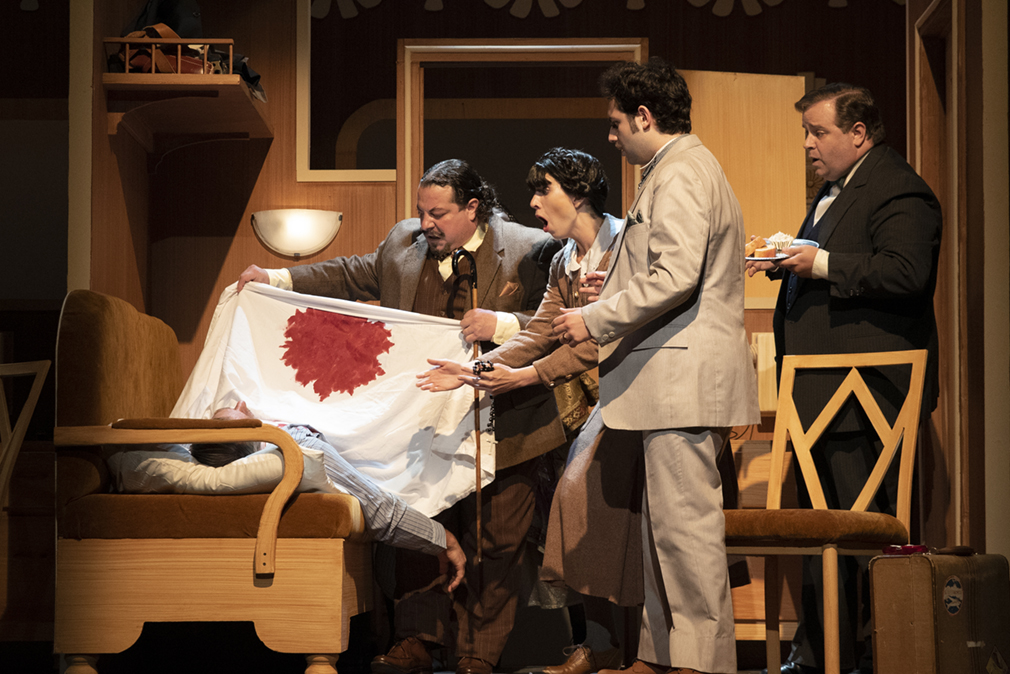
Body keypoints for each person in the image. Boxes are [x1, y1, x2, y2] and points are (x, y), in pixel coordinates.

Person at [237, 159, 564, 674]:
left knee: (498, 539)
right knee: (418, 527)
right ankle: (416, 640)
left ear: (473, 208)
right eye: (420, 211)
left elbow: (560, 321)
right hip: (422, 419)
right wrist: (277, 277)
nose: (425, 224)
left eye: (438, 214)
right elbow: (350, 274)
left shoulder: (531, 248)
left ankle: (479, 654)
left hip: (508, 423)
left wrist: (502, 323)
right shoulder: (402, 243)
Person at [551, 58, 759, 674]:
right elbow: (666, 269)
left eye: (617, 122)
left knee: (686, 533)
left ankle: (701, 664)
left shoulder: (684, 171)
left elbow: (677, 276)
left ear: (644, 116)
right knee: (661, 534)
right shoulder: (670, 170)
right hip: (667, 379)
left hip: (682, 379)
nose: (611, 135)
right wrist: (613, 287)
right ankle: (662, 656)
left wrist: (595, 317)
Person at [746, 83, 941, 674]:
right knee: (822, 530)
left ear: (859, 133)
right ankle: (820, 654)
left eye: (818, 132)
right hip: (824, 394)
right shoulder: (836, 190)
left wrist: (820, 261)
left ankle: (877, 655)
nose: (808, 144)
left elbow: (907, 273)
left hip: (865, 394)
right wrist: (789, 261)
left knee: (862, 532)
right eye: (806, 132)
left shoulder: (898, 186)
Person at [417, 147, 635, 674]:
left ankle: (637, 648)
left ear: (577, 195)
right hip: (588, 411)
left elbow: (595, 342)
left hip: (635, 401)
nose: (534, 202)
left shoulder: (626, 246)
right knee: (584, 522)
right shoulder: (564, 260)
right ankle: (602, 644)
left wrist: (525, 377)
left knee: (617, 524)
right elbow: (539, 333)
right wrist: (476, 370)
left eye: (544, 190)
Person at [200, 401, 467, 590]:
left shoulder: (269, 443)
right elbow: (380, 509)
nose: (242, 403)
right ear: (248, 438)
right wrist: (443, 539)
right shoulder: (299, 447)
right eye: (237, 414)